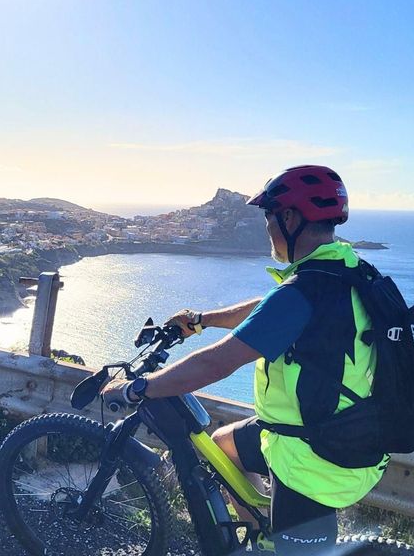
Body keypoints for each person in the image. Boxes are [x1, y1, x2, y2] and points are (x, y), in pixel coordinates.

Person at [101, 165, 388, 554]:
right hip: (341, 429)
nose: (267, 227)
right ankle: (264, 532)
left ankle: (281, 540)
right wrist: (202, 321)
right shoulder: (345, 269)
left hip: (315, 459)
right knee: (224, 445)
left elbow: (216, 365)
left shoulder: (304, 291)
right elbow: (270, 309)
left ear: (289, 218)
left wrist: (140, 388)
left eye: (269, 217)